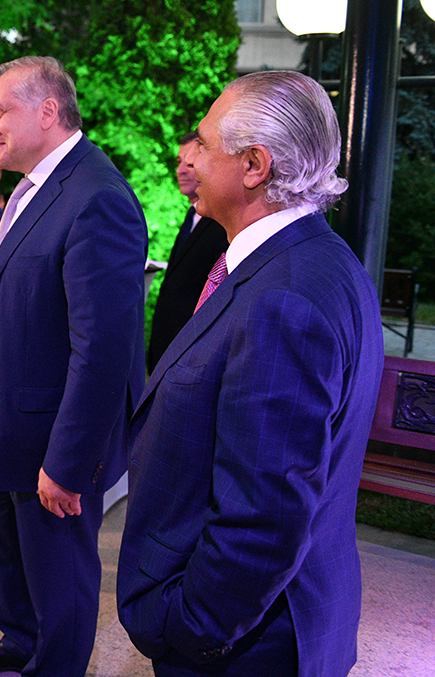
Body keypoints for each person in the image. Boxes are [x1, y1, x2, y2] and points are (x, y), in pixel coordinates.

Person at [117, 71, 385, 677]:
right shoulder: (311, 258)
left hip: (249, 644)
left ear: (254, 165)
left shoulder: (283, 298)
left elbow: (264, 516)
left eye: (204, 143)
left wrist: (189, 628)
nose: (190, 158)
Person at [0, 56, 147, 677]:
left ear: (48, 111)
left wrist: (68, 463)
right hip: (5, 422)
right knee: (10, 556)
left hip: (48, 441)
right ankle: (18, 641)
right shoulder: (37, 185)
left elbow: (103, 349)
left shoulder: (97, 197)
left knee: (59, 575)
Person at [145, 131, 229, 372]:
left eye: (191, 164)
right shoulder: (192, 215)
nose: (181, 170)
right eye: (179, 162)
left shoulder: (222, 224)